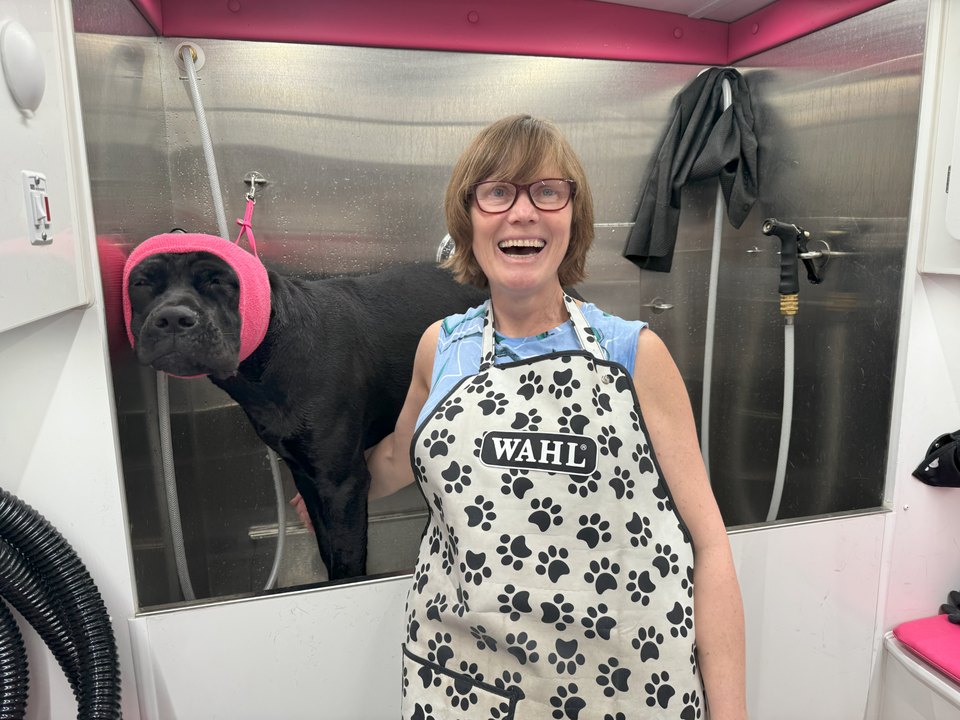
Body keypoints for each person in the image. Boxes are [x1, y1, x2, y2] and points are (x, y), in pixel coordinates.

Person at [368, 114, 747, 720]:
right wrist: (329, 483)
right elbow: (396, 459)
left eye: (547, 191)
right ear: (468, 218)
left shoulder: (634, 355)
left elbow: (709, 545)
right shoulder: (440, 349)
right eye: (497, 192)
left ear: (574, 215)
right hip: (466, 687)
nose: (523, 213)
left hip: (623, 690)